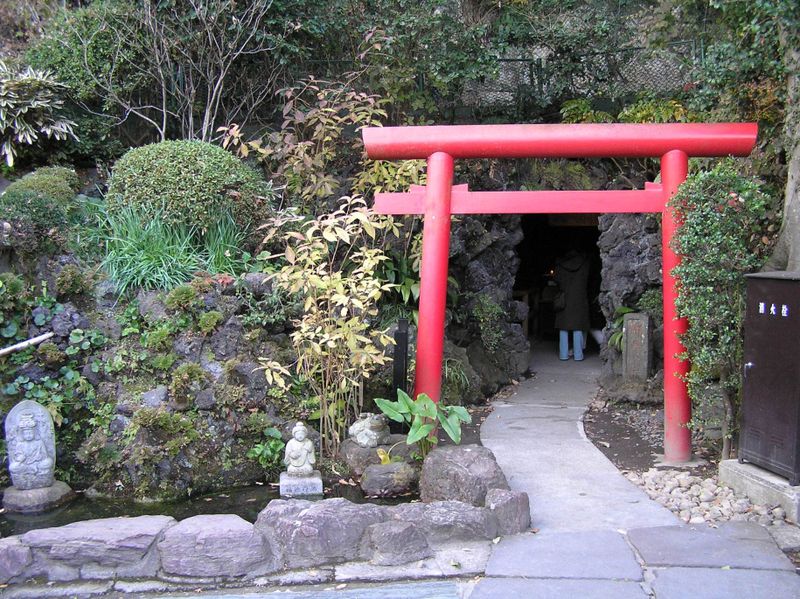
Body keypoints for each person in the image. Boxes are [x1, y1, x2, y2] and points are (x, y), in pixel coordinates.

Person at [553, 248, 590, 361]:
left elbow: (557, 280)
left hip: (564, 299)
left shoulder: (560, 264)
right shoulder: (585, 263)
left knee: (563, 327)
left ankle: (563, 354)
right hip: (579, 299)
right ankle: (578, 355)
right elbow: (589, 279)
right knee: (577, 326)